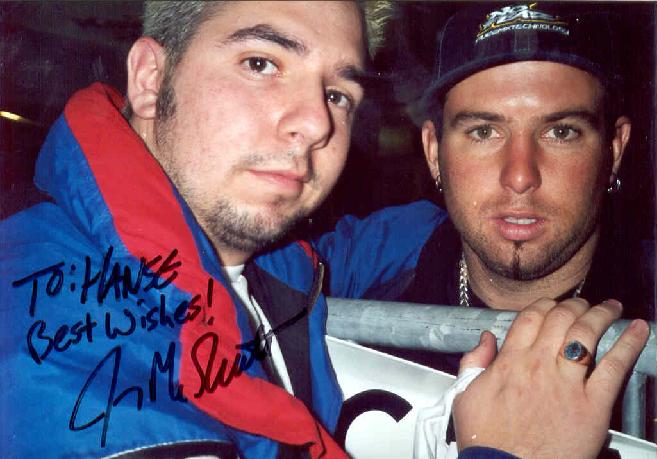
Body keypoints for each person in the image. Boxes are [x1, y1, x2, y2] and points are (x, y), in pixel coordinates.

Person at [0, 2, 648, 459]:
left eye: (338, 93)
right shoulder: (49, 335)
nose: (315, 122)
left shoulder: (282, 271)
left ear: (615, 150)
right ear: (150, 79)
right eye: (261, 63)